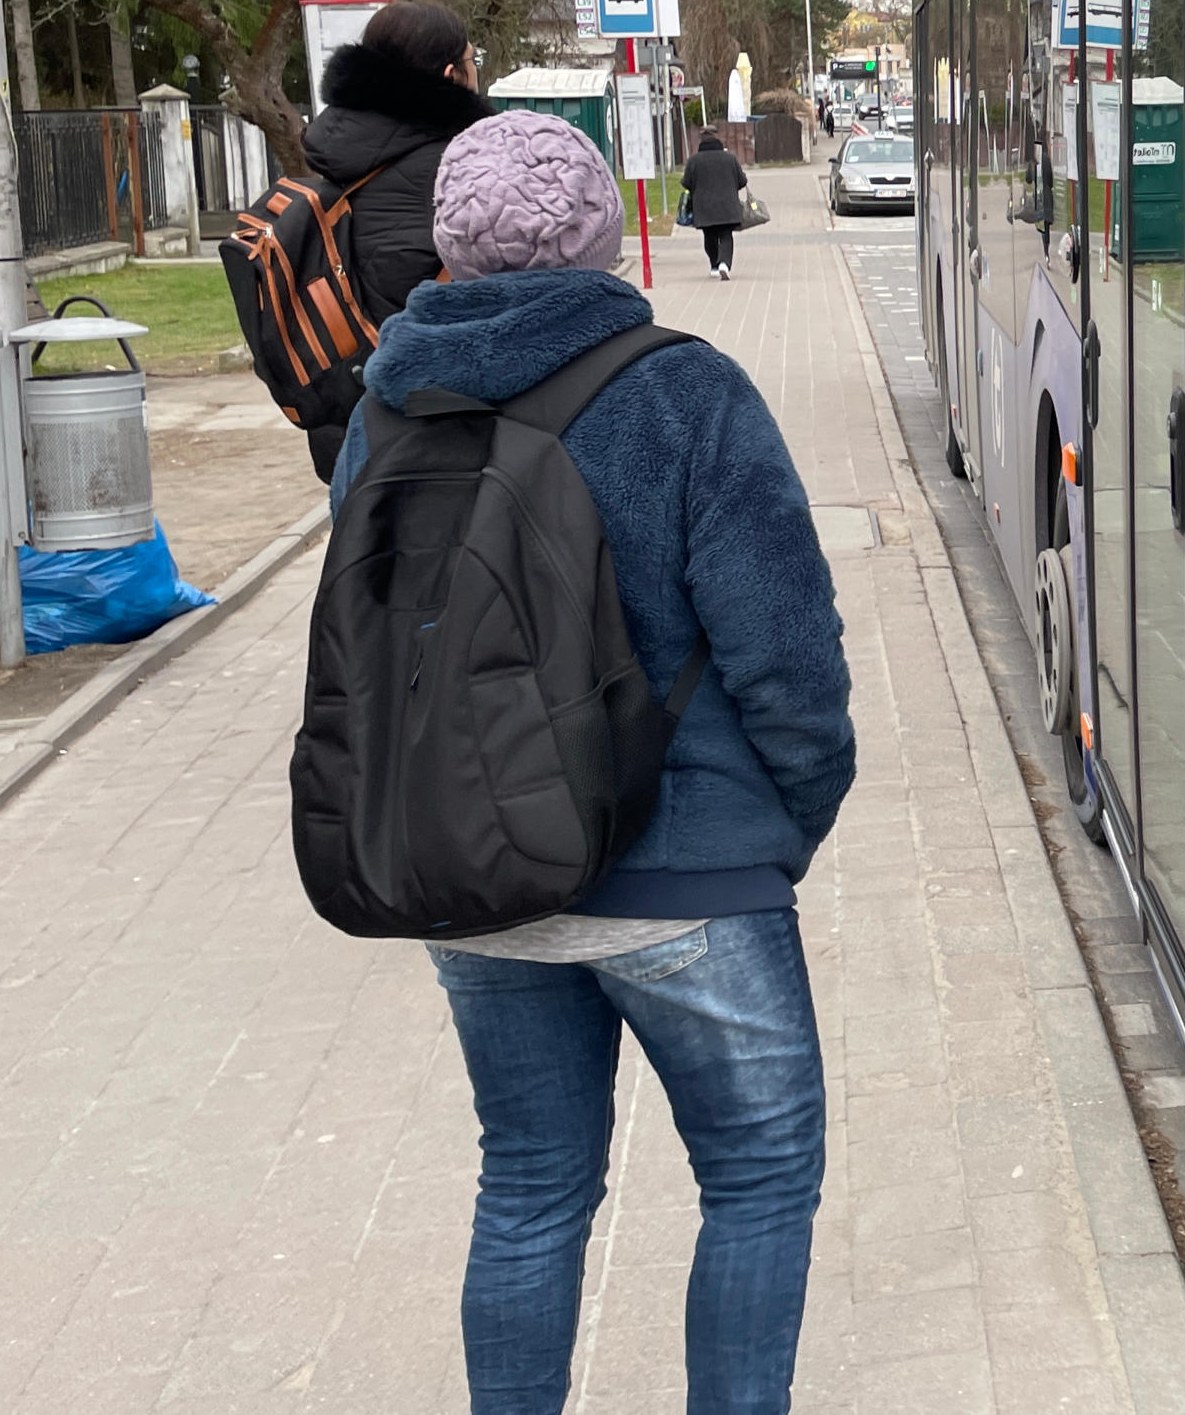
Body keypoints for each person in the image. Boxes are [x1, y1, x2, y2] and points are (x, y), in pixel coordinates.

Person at [331, 109, 854, 1415]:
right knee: (758, 1176)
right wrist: (784, 825)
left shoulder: (385, 410)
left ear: (447, 247)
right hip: (690, 881)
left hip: (478, 875)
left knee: (529, 1181)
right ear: (603, 235)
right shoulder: (684, 392)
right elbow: (787, 653)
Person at [295, 0, 492, 477]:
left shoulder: (338, 154)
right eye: (473, 61)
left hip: (350, 429)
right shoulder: (464, 167)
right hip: (446, 431)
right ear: (450, 75)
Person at [681, 130, 748, 280]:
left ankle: (714, 266)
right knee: (726, 235)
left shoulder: (694, 161)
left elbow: (686, 183)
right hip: (727, 205)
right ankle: (724, 263)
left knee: (709, 236)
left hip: (704, 207)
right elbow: (742, 181)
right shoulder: (730, 158)